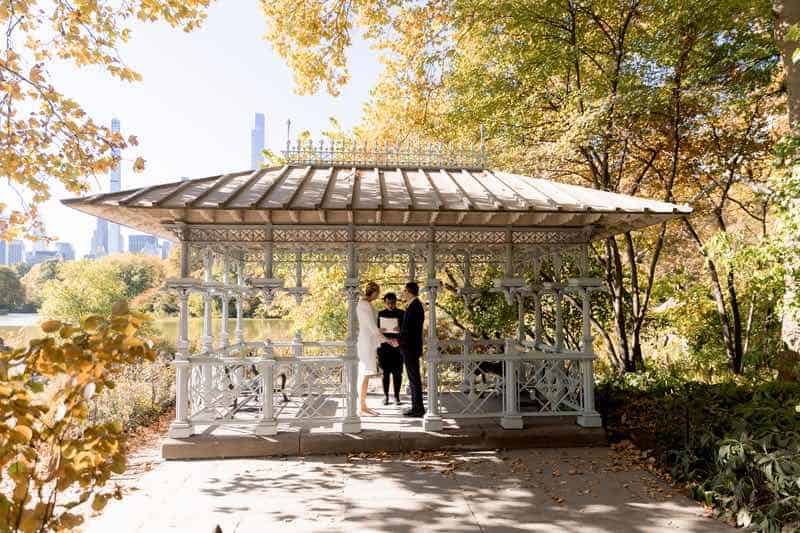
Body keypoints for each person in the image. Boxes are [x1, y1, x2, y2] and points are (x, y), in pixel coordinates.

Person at [356, 281, 387, 416]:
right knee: (364, 373)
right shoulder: (364, 305)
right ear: (374, 292)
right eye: (378, 293)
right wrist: (386, 340)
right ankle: (361, 407)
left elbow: (373, 326)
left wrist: (381, 330)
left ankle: (363, 405)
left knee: (366, 374)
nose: (378, 296)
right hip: (365, 341)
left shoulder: (367, 304)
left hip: (368, 340)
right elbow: (371, 326)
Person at [397, 281, 425, 417]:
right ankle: (416, 407)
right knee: (413, 378)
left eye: (404, 291)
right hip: (410, 347)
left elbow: (411, 330)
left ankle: (418, 409)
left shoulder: (415, 306)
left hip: (410, 347)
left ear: (409, 292)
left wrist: (399, 340)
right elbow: (409, 327)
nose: (403, 293)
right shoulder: (414, 305)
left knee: (414, 378)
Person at [377, 292, 404, 406]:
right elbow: (374, 330)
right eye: (388, 303)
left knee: (398, 373)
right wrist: (379, 330)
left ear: (396, 302)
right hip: (384, 347)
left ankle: (397, 396)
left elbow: (408, 330)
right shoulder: (380, 314)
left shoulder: (402, 313)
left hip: (397, 347)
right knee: (385, 373)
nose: (390, 305)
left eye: (392, 303)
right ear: (384, 303)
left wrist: (400, 329)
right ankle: (386, 396)